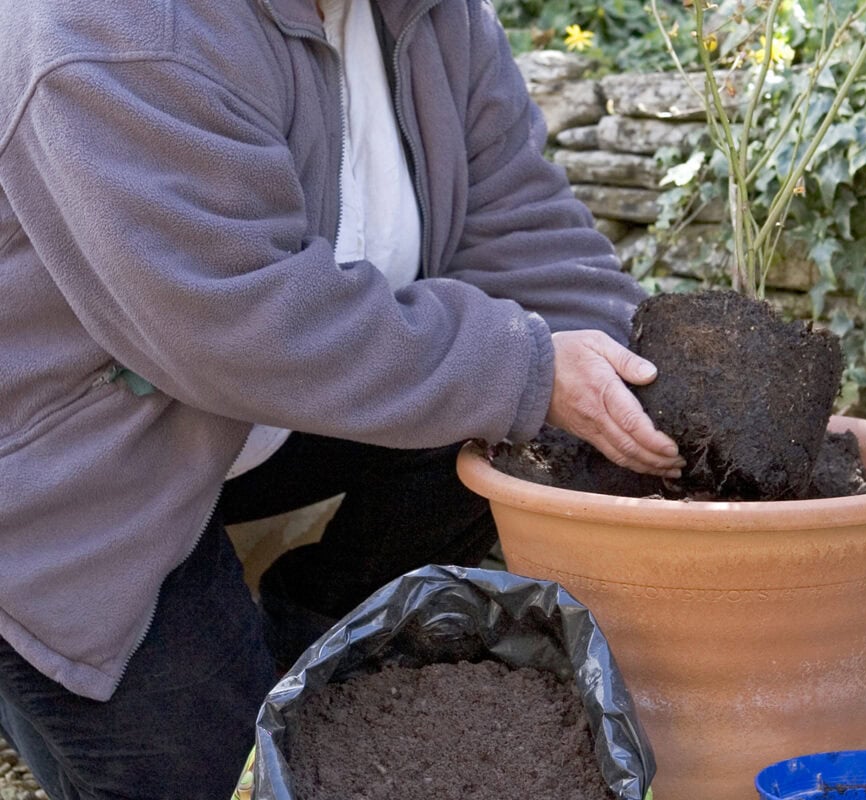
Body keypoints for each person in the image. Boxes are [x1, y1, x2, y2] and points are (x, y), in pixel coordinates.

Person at [0, 0, 685, 796]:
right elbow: (230, 318)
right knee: (223, 775)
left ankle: (314, 652)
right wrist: (526, 367)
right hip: (62, 466)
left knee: (503, 425)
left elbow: (519, 220)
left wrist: (642, 382)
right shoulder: (108, 29)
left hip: (248, 412)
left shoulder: (430, 17)